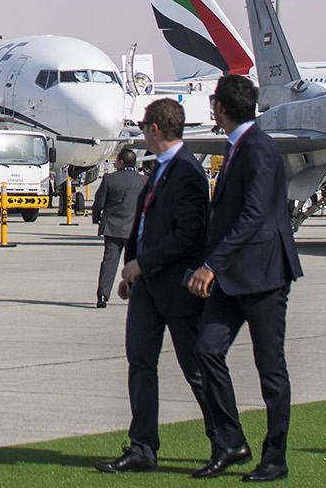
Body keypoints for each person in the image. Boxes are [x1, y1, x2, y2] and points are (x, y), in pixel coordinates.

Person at [187, 74, 303, 483]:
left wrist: (211, 265)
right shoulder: (238, 146)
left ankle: (275, 458)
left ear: (220, 108)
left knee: (270, 370)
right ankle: (231, 441)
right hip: (232, 277)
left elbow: (254, 215)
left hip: (263, 276)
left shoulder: (258, 147)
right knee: (207, 350)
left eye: (214, 104)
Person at [95, 99, 212, 474]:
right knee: (140, 363)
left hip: (176, 287)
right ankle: (143, 446)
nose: (141, 132)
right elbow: (143, 226)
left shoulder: (188, 172)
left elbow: (188, 233)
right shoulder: (158, 168)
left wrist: (142, 264)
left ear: (155, 129)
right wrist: (131, 271)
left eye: (143, 126)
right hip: (146, 285)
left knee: (195, 370)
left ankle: (226, 440)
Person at [92, 147, 146, 308]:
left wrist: (96, 217)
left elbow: (99, 202)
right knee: (133, 263)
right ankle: (136, 295)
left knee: (109, 262)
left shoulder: (110, 179)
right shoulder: (144, 181)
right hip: (133, 229)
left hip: (112, 229)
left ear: (121, 162)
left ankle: (103, 295)